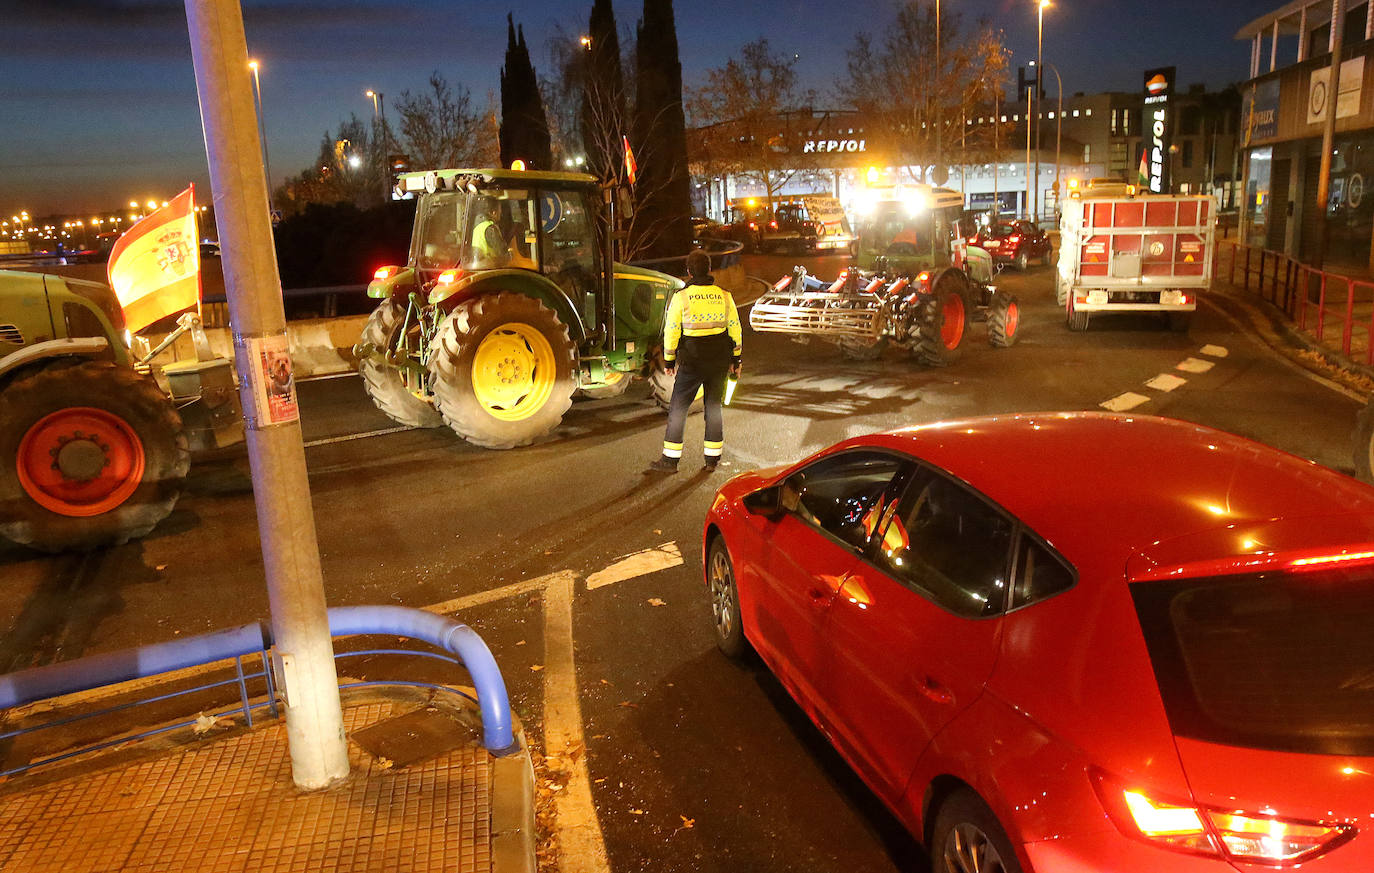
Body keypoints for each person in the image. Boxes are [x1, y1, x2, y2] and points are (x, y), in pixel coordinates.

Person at [648, 250, 742, 473]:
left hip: (692, 362)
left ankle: (670, 461)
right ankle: (712, 460)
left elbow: (671, 332)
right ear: (709, 270)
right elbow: (735, 330)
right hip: (718, 361)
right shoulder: (725, 296)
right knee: (713, 407)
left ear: (689, 271)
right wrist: (736, 359)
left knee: (679, 408)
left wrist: (669, 361)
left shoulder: (681, 298)